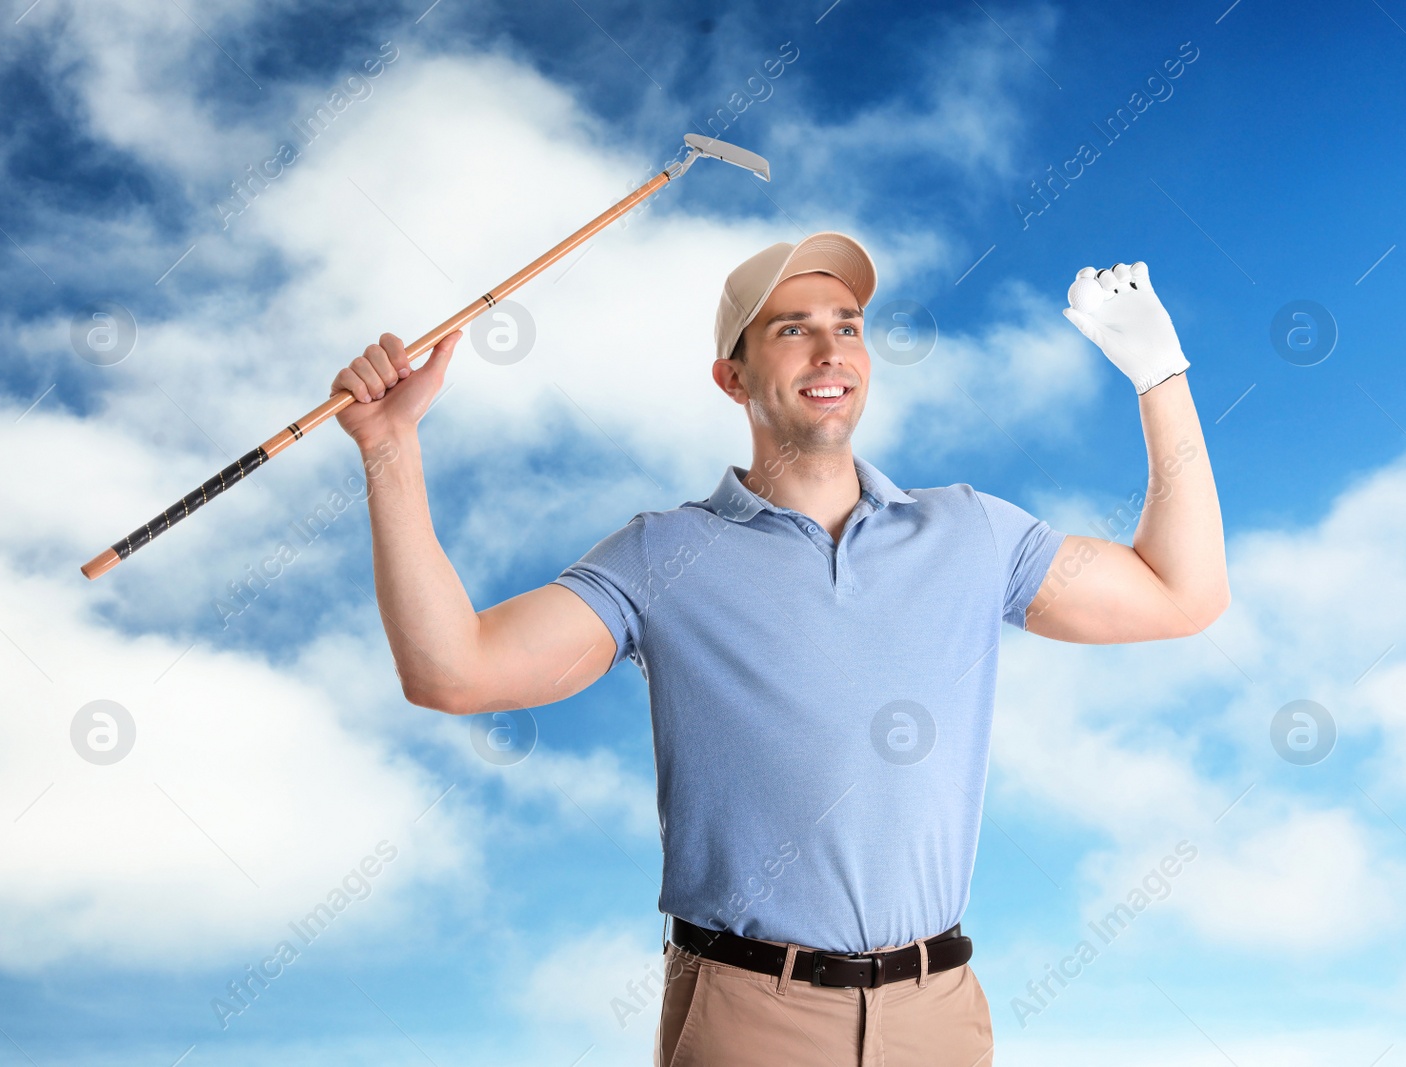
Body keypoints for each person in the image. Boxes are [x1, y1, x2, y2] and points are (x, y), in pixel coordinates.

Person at [329, 232, 1229, 1066]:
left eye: (848, 327)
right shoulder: (661, 555)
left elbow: (1182, 595)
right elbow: (453, 671)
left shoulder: (972, 533)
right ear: (733, 377)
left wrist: (1160, 373)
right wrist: (389, 447)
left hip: (940, 1014)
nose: (831, 350)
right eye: (793, 329)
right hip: (752, 1015)